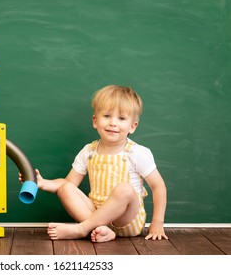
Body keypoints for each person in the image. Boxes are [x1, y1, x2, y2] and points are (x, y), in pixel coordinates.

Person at [20, 85, 168, 242]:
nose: (113, 123)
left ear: (133, 126)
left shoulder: (137, 153)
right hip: (94, 215)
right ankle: (102, 231)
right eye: (107, 116)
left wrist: (157, 223)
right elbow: (69, 183)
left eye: (121, 118)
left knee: (125, 189)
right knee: (65, 188)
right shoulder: (88, 151)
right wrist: (42, 183)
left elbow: (158, 187)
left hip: (126, 220)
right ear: (95, 121)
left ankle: (81, 229)